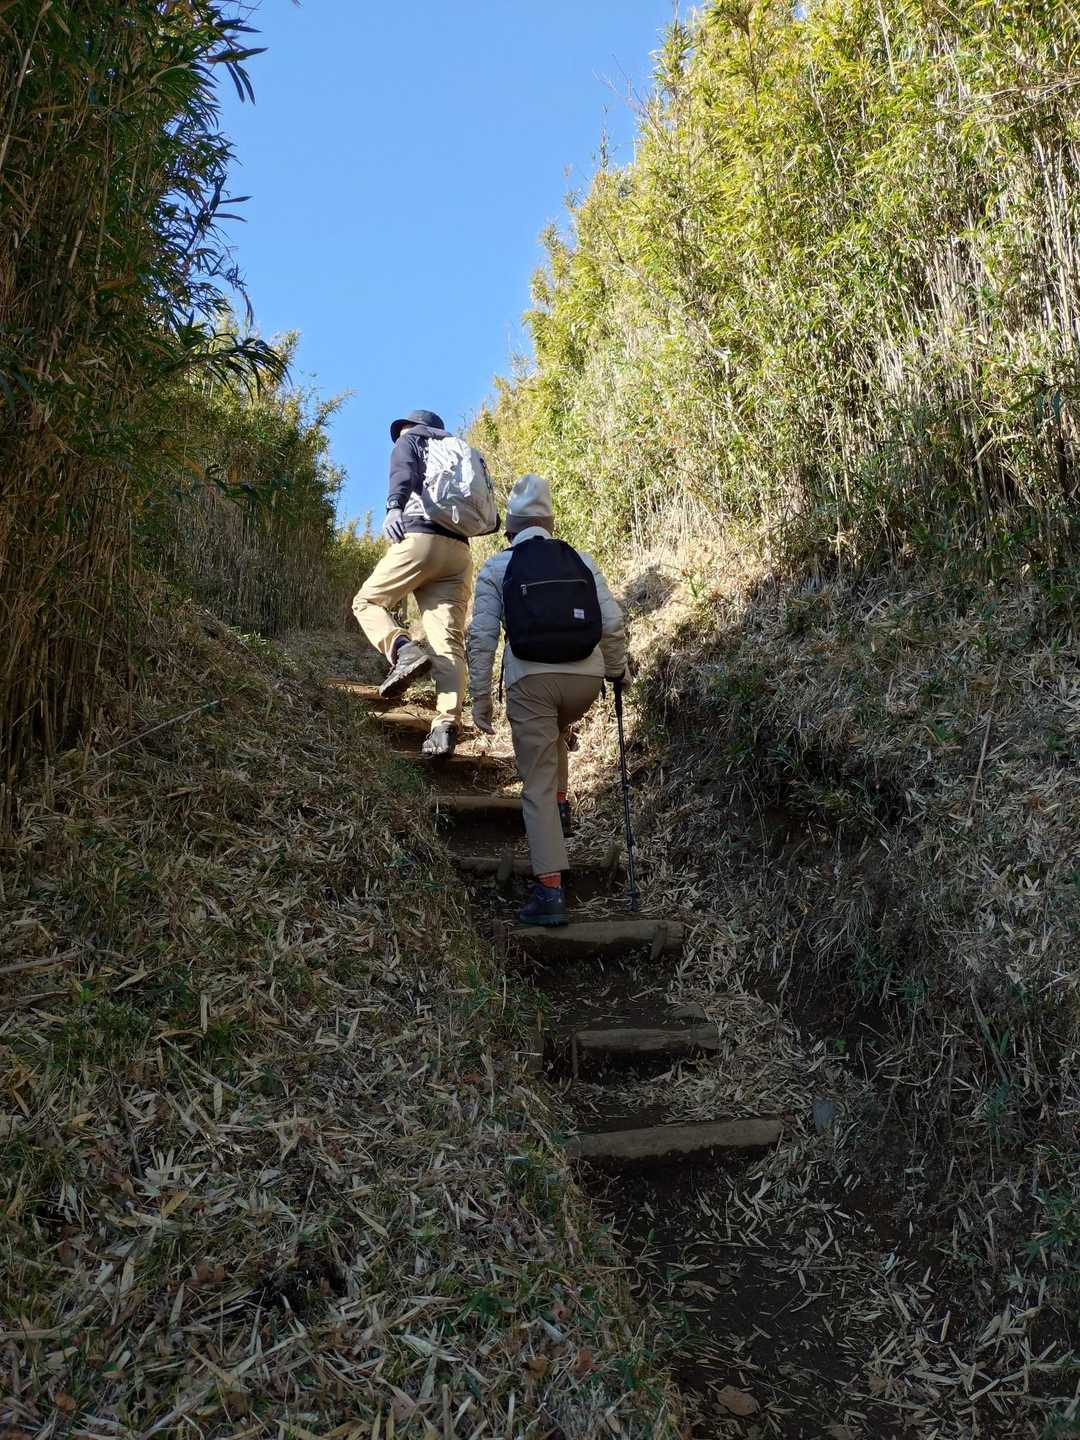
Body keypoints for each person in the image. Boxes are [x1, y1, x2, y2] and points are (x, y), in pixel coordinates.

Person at [466, 474, 626, 926]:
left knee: (534, 776)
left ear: (510, 529)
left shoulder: (498, 567)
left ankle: (550, 893)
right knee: (554, 727)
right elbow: (613, 624)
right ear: (549, 523)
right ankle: (560, 805)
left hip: (531, 682)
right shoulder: (580, 559)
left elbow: (482, 639)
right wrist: (616, 671)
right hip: (585, 683)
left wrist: (481, 700)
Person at [352, 409, 474, 757]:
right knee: (448, 643)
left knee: (367, 602)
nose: (401, 434)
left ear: (415, 427)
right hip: (459, 553)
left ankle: (403, 650)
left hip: (420, 539)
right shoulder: (460, 452)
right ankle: (446, 726)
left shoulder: (412, 440)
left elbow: (403, 470)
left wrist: (394, 506)